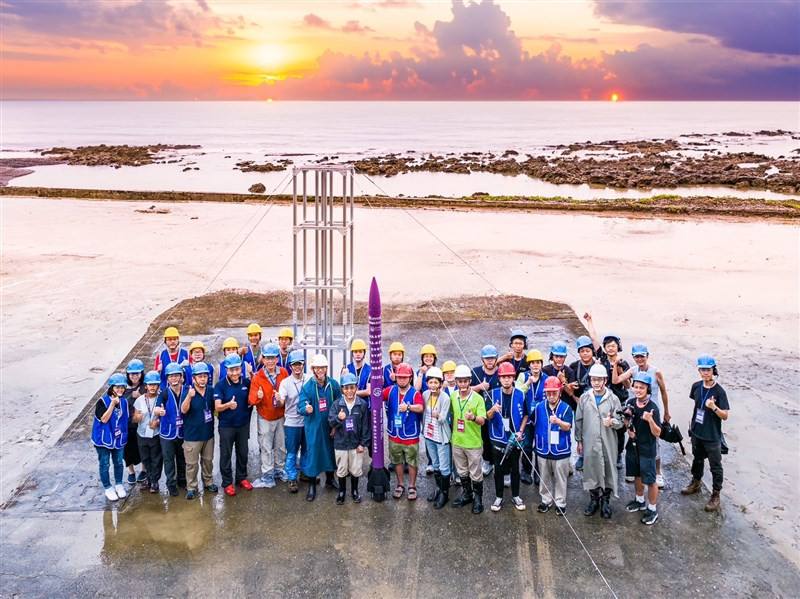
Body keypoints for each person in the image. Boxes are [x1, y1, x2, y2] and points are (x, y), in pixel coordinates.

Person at [613, 343, 671, 487]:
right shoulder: (633, 370)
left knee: (654, 442)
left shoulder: (656, 372)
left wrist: (667, 412)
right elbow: (616, 381)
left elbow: (664, 392)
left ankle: (657, 473)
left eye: (642, 356)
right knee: (633, 437)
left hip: (652, 410)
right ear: (633, 357)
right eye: (636, 356)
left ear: (647, 356)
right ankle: (636, 471)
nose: (639, 359)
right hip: (636, 410)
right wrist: (615, 365)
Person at [681, 355, 730, 512]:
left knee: (716, 465)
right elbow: (696, 406)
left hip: (712, 435)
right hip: (697, 431)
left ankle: (716, 495)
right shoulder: (696, 386)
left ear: (713, 370)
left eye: (708, 370)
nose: (705, 373)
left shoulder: (719, 391)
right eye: (702, 370)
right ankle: (696, 482)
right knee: (697, 459)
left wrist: (714, 407)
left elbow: (725, 416)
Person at [583, 313, 631, 470]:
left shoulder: (624, 363)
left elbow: (628, 385)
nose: (610, 348)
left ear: (618, 347)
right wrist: (590, 320)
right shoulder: (602, 358)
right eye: (608, 345)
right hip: (602, 399)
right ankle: (602, 454)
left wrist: (618, 368)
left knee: (619, 430)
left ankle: (617, 455)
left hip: (618, 401)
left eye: (613, 345)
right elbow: (593, 337)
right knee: (601, 427)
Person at [575, 363, 623, 519]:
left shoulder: (613, 399)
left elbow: (621, 421)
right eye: (593, 379)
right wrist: (579, 440)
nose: (596, 383)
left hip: (608, 442)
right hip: (590, 442)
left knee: (608, 470)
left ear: (605, 381)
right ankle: (594, 500)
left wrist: (612, 423)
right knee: (591, 470)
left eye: (599, 380)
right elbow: (579, 420)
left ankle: (605, 502)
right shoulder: (584, 398)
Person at [298, 354, 341, 501]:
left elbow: (339, 403)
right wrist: (306, 408)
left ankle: (330, 480)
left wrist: (336, 425)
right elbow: (301, 405)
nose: (320, 370)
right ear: (313, 369)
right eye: (317, 367)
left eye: (323, 367)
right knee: (313, 455)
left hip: (330, 426)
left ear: (326, 368)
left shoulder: (333, 384)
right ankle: (312, 486)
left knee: (330, 452)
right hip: (314, 428)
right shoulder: (308, 387)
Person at [622, 372, 662, 525]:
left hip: (647, 449)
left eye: (642, 387)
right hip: (633, 447)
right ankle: (639, 500)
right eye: (636, 387)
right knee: (636, 475)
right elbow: (627, 423)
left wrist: (650, 420)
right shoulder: (631, 402)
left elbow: (658, 433)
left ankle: (652, 508)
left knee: (650, 480)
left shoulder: (653, 408)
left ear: (648, 389)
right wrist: (627, 423)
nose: (638, 390)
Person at [486, 362, 527, 512]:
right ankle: (498, 497)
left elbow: (526, 415)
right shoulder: (492, 394)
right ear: (500, 378)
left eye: (509, 377)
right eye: (503, 377)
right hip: (497, 438)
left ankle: (516, 496)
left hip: (515, 438)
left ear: (513, 378)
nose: (506, 380)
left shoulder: (521, 394)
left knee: (515, 468)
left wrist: (521, 431)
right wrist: (493, 409)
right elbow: (486, 417)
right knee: (498, 468)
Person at [530, 377, 573, 515]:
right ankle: (546, 500)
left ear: (559, 392)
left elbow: (568, 427)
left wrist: (558, 421)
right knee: (544, 476)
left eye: (554, 392)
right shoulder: (538, 407)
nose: (551, 396)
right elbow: (530, 422)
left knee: (561, 478)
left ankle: (560, 502)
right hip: (542, 448)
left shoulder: (566, 408)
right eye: (548, 393)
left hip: (560, 450)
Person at [248, 343, 289, 488]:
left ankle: (280, 470)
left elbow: (288, 391)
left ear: (277, 359)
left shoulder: (283, 373)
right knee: (265, 447)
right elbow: (251, 400)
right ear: (263, 360)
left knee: (281, 445)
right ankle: (267, 474)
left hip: (280, 416)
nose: (270, 361)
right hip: (265, 417)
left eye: (273, 358)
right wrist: (258, 396)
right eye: (267, 358)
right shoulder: (257, 377)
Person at [214, 353, 254, 496]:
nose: (235, 373)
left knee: (243, 453)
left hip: (243, 424)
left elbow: (253, 397)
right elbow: (217, 407)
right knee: (226, 454)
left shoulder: (246, 383)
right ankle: (227, 482)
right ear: (226, 370)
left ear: (241, 369)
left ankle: (241, 478)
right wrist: (228, 405)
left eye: (237, 369)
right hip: (226, 426)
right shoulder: (220, 385)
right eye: (231, 370)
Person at [383, 362, 424, 500]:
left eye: (405, 377)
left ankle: (412, 486)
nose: (402, 379)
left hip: (410, 435)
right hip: (394, 434)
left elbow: (420, 407)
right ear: (396, 377)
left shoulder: (415, 393)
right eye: (399, 377)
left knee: (412, 462)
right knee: (397, 461)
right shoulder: (390, 390)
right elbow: (376, 395)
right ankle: (400, 484)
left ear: (410, 378)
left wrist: (408, 407)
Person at [450, 364, 488, 514]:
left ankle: (478, 499)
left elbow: (483, 420)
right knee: (462, 471)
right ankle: (467, 494)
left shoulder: (477, 398)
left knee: (476, 473)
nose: (463, 384)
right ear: (457, 382)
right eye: (460, 381)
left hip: (473, 443)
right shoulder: (453, 396)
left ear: (470, 381)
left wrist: (473, 418)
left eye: (466, 381)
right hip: (457, 441)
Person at [329, 373, 371, 504]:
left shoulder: (362, 405)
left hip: (355, 444)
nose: (349, 391)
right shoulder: (337, 405)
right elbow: (330, 422)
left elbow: (365, 426)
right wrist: (338, 418)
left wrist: (362, 444)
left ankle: (354, 491)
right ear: (342, 389)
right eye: (346, 388)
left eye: (352, 387)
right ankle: (342, 492)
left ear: (356, 388)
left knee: (355, 469)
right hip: (340, 443)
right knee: (341, 469)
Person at [181, 362, 218, 499]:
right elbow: (183, 410)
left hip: (208, 434)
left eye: (205, 376)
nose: (203, 379)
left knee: (208, 461)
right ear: (194, 378)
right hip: (192, 436)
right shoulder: (187, 391)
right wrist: (189, 397)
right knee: (191, 464)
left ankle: (208, 482)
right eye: (200, 376)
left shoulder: (211, 390)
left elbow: (216, 408)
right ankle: (192, 487)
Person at [91, 373, 129, 501]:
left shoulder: (124, 401)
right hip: (103, 439)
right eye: (117, 387)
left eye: (122, 387)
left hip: (118, 438)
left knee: (118, 462)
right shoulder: (102, 401)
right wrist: (112, 405)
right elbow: (104, 418)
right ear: (111, 387)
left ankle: (119, 484)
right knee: (105, 463)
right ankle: (107, 487)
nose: (120, 390)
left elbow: (125, 419)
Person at [153, 362, 187, 497]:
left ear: (181, 376)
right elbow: (157, 407)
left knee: (182, 458)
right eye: (171, 376)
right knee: (168, 460)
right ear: (167, 378)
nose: (174, 378)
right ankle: (171, 484)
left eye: (176, 375)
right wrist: (158, 411)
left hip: (183, 431)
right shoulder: (164, 393)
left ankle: (182, 480)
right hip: (167, 433)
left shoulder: (186, 390)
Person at [515, 349, 547, 485]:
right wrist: (528, 383)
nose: (535, 365)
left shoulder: (546, 378)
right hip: (526, 417)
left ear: (541, 364)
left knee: (540, 446)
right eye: (532, 363)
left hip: (541, 419)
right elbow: (517, 393)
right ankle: (526, 471)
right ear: (529, 365)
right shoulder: (523, 376)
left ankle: (539, 473)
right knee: (527, 446)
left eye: (538, 362)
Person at [421, 367, 452, 508]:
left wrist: (438, 415)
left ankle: (444, 494)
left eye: (436, 382)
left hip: (441, 436)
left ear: (440, 383)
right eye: (430, 382)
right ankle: (439, 489)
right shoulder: (425, 394)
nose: (433, 385)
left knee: (445, 467)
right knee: (436, 465)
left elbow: (443, 419)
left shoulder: (445, 398)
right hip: (428, 434)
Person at [279, 349, 308, 494]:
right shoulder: (285, 383)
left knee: (306, 449)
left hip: (307, 422)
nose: (297, 367)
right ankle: (292, 478)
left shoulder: (309, 379)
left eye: (300, 364)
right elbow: (281, 400)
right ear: (290, 366)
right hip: (291, 423)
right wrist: (279, 399)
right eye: (294, 364)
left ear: (303, 365)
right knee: (291, 452)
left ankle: (304, 473)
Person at [471, 344, 501, 477]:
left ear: (496, 359)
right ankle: (487, 461)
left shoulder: (501, 372)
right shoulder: (475, 372)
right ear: (482, 359)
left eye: (492, 358)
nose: (490, 361)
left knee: (499, 439)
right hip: (481, 413)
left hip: (498, 412)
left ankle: (499, 463)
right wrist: (479, 387)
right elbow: (464, 389)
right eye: (487, 358)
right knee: (485, 438)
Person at [133, 370, 163, 493]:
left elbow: (167, 415)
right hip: (142, 434)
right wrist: (137, 418)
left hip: (155, 434)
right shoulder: (140, 400)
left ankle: (155, 481)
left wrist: (158, 422)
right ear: (146, 386)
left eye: (155, 385)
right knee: (145, 458)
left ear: (158, 386)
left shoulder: (162, 398)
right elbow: (134, 417)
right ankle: (149, 479)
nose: (152, 387)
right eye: (150, 385)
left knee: (156, 458)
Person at [413, 344, 438, 474]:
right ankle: (430, 461)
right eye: (426, 356)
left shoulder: (438, 371)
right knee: (428, 434)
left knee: (437, 434)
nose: (428, 359)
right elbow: (416, 389)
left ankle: (437, 461)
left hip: (436, 407)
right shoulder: (419, 372)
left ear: (434, 358)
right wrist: (422, 374)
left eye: (431, 356)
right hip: (424, 408)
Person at [122, 359, 147, 484]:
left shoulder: (145, 387)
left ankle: (144, 469)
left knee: (141, 447)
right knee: (127, 450)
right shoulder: (123, 387)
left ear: (141, 373)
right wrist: (132, 397)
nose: (134, 376)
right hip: (126, 425)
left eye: (137, 374)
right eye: (132, 374)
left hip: (140, 423)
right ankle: (131, 471)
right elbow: (119, 403)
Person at [542, 343, 578, 410]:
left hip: (566, 404)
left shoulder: (570, 371)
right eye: (556, 356)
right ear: (552, 356)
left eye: (561, 357)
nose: (559, 359)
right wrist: (560, 382)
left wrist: (564, 381)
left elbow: (571, 393)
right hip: (550, 405)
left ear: (565, 357)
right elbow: (544, 390)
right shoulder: (545, 370)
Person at [155, 326, 189, 391]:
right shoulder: (160, 356)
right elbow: (155, 376)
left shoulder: (185, 354)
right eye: (169, 339)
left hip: (182, 390)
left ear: (178, 340)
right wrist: (158, 371)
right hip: (165, 390)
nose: (172, 341)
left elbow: (191, 373)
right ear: (165, 341)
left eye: (175, 339)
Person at [346, 339, 372, 405]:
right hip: (350, 406)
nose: (358, 354)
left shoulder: (370, 370)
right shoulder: (347, 369)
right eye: (355, 352)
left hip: (365, 407)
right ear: (352, 353)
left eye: (360, 352)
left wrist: (352, 392)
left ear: (364, 353)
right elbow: (344, 391)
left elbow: (368, 391)